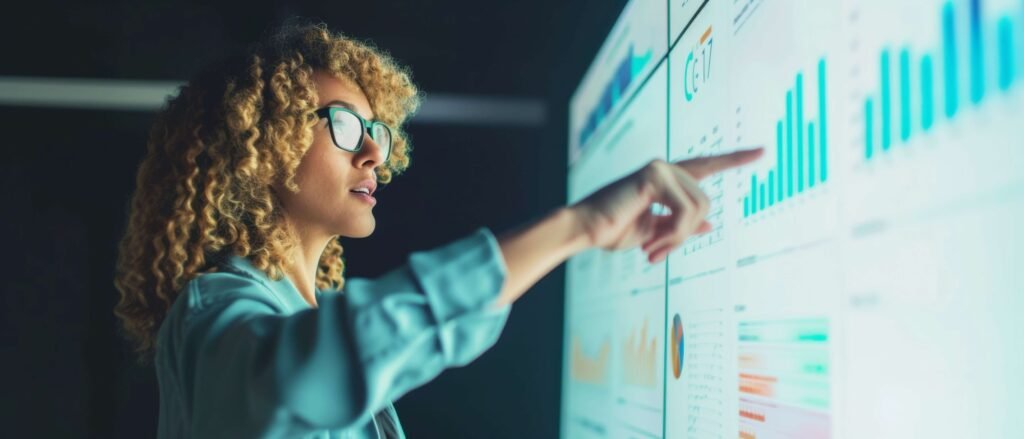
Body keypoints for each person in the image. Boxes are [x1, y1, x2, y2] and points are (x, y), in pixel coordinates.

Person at [113, 21, 763, 439]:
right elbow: (302, 375)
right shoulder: (215, 308)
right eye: (342, 125)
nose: (373, 152)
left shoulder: (305, 308)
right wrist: (580, 224)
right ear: (258, 146)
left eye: (377, 132)